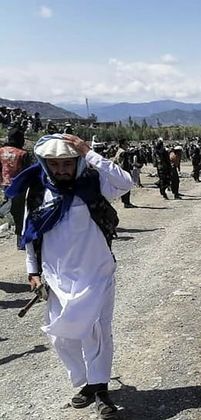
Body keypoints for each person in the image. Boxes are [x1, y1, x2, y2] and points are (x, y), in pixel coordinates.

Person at [5, 133, 132, 419]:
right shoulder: (37, 190)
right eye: (55, 164)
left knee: (97, 333)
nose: (61, 170)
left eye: (67, 163)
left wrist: (89, 152)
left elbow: (125, 183)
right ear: (45, 164)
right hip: (56, 277)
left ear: (77, 162)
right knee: (62, 337)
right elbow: (31, 234)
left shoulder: (93, 183)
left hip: (96, 272)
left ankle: (100, 389)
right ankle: (86, 381)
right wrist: (33, 271)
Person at [0, 127, 34, 247]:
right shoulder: (23, 154)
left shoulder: (1, 151)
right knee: (20, 213)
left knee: (9, 208)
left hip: (4, 185)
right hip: (19, 187)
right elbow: (27, 172)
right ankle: (20, 241)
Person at [111, 139, 136, 208]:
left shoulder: (119, 151)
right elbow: (124, 155)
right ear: (122, 144)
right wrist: (134, 151)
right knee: (127, 187)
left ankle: (126, 202)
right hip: (124, 172)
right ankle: (126, 203)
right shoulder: (122, 152)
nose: (127, 145)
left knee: (124, 187)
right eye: (126, 144)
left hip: (121, 171)